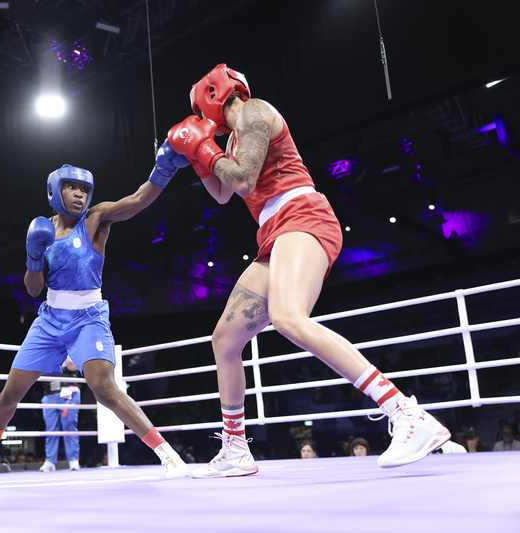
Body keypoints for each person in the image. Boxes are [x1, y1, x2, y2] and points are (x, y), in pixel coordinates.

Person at [166, 63, 451, 478]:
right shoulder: (232, 142)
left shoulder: (255, 113)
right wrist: (196, 156)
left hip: (302, 215)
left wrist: (204, 149)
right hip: (272, 231)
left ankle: (407, 413)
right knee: (225, 340)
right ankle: (235, 449)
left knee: (287, 318)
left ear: (210, 96)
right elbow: (223, 193)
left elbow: (243, 181)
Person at [0, 156, 191, 482]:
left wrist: (165, 167)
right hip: (50, 318)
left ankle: (166, 453)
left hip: (89, 316)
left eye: (84, 188)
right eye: (71, 187)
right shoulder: (43, 231)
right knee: (10, 393)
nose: (79, 194)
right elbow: (33, 289)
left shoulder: (97, 219)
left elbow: (140, 200)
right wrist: (33, 258)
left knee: (104, 388)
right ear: (54, 191)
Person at [40, 356, 82, 472]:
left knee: (69, 426)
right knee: (50, 429)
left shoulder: (72, 347)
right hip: (50, 393)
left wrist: (65, 349)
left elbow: (72, 366)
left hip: (69, 392)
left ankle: (73, 460)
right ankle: (50, 461)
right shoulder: (47, 348)